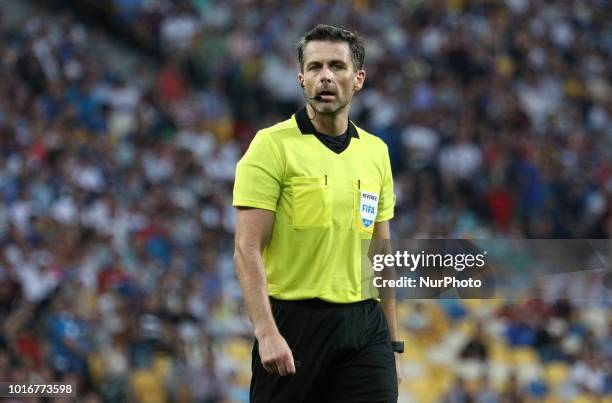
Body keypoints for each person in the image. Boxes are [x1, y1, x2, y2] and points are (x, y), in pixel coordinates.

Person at [233, 24, 403, 403]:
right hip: (294, 325)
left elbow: (382, 254)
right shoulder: (271, 147)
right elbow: (246, 248)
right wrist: (266, 333)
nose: (325, 76)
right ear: (301, 78)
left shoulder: (376, 152)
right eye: (315, 67)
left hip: (365, 327)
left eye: (337, 66)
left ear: (358, 79)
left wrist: (393, 343)